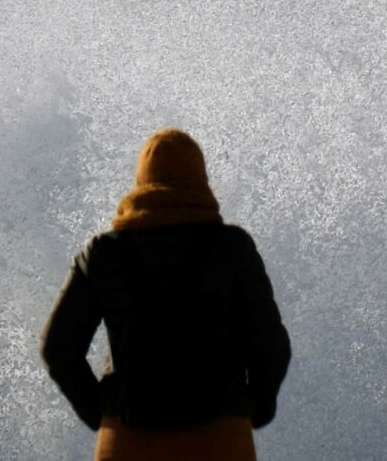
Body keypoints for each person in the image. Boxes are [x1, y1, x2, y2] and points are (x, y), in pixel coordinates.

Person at [39, 128, 292, 460]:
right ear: (201, 179)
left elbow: (57, 349)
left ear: (141, 181)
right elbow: (271, 346)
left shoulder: (103, 253)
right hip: (220, 440)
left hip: (128, 441)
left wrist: (102, 412)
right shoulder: (233, 248)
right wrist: (254, 409)